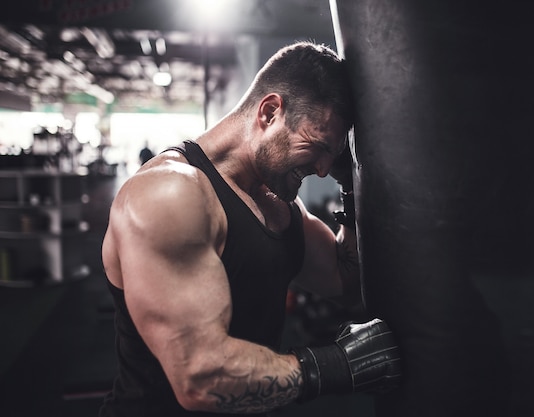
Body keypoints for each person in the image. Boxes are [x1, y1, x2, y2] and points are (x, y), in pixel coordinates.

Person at [99, 41, 401, 417]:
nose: (323, 169)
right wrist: (337, 365)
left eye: (333, 155)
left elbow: (348, 282)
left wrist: (350, 187)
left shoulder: (278, 203)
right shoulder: (171, 194)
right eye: (319, 146)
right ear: (270, 111)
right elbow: (199, 376)